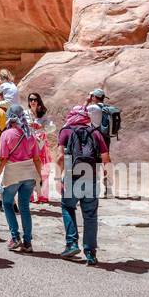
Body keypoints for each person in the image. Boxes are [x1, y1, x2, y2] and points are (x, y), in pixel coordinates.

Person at [57, 103, 112, 265]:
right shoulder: (95, 133)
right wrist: (106, 175)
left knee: (68, 207)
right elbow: (106, 157)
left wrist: (58, 177)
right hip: (91, 177)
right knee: (90, 215)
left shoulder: (66, 131)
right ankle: (90, 253)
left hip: (71, 176)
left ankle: (72, 243)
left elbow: (60, 157)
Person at [0, 105, 43, 251]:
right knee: (24, 207)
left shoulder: (7, 134)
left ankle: (15, 237)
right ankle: (27, 242)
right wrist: (39, 176)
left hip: (13, 173)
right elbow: (37, 159)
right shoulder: (30, 134)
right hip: (29, 174)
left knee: (7, 204)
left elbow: (2, 159)